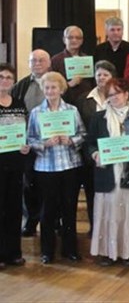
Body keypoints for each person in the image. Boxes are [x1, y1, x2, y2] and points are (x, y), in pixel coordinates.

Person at [87, 78, 129, 266]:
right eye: (109, 95)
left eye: (116, 93)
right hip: (107, 173)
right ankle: (108, 252)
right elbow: (90, 143)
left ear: (126, 94)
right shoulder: (99, 118)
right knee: (108, 212)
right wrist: (95, 154)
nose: (113, 98)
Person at [27, 71, 86, 264]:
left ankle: (70, 250)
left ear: (61, 89)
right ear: (43, 90)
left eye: (54, 87)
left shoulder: (72, 110)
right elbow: (30, 140)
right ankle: (47, 251)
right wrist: (44, 144)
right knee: (48, 211)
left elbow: (82, 134)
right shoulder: (36, 112)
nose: (50, 91)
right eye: (47, 87)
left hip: (70, 166)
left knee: (69, 209)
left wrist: (71, 140)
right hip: (45, 168)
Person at [12, 49, 50, 236]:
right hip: (28, 144)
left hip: (53, 143)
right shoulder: (20, 86)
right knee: (29, 184)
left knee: (50, 184)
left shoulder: (55, 83)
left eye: (41, 60)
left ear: (49, 63)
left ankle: (52, 221)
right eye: (33, 60)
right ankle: (31, 221)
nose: (37, 63)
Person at [76, 60, 117, 234]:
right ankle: (96, 230)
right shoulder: (83, 99)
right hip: (91, 155)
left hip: (115, 154)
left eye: (105, 75)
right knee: (93, 194)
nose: (101, 78)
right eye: (98, 74)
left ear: (112, 77)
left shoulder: (119, 97)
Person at [0, 63, 30, 269]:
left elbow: (25, 129)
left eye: (9, 77)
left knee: (14, 208)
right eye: (1, 77)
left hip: (16, 162)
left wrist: (26, 145)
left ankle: (13, 253)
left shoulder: (19, 102)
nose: (5, 81)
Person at [50, 25, 94, 104]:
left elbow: (92, 82)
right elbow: (51, 84)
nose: (74, 40)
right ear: (64, 40)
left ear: (82, 41)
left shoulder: (87, 59)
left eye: (78, 38)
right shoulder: (56, 60)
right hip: (64, 103)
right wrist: (68, 84)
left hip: (85, 103)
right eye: (70, 37)